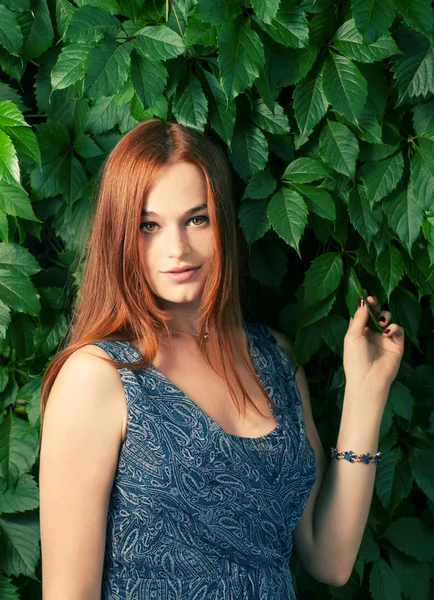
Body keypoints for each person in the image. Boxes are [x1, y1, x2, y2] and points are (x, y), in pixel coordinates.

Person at [38, 118, 405, 600]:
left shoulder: (275, 357)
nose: (177, 248)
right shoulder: (96, 378)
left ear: (225, 222)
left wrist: (366, 390)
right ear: (120, 235)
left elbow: (329, 558)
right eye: (149, 225)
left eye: (197, 219)